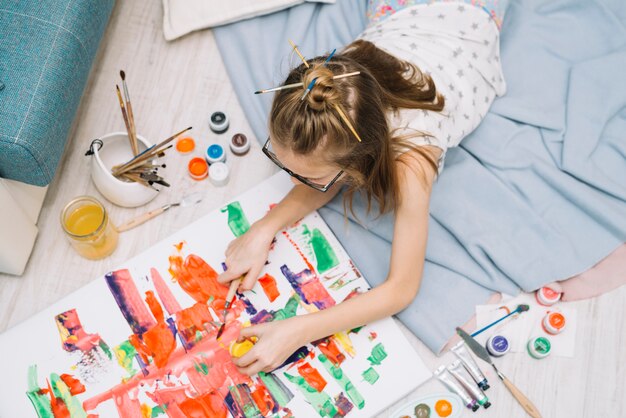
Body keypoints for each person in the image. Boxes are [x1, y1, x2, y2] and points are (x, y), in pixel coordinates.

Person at [217, 0, 508, 375]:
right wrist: (263, 230)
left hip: (475, 13)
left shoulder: (412, 161)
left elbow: (401, 289)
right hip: (405, 13)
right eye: (284, 165)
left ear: (361, 162)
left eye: (309, 178)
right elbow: (327, 177)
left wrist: (298, 331)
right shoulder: (330, 81)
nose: (292, 183)